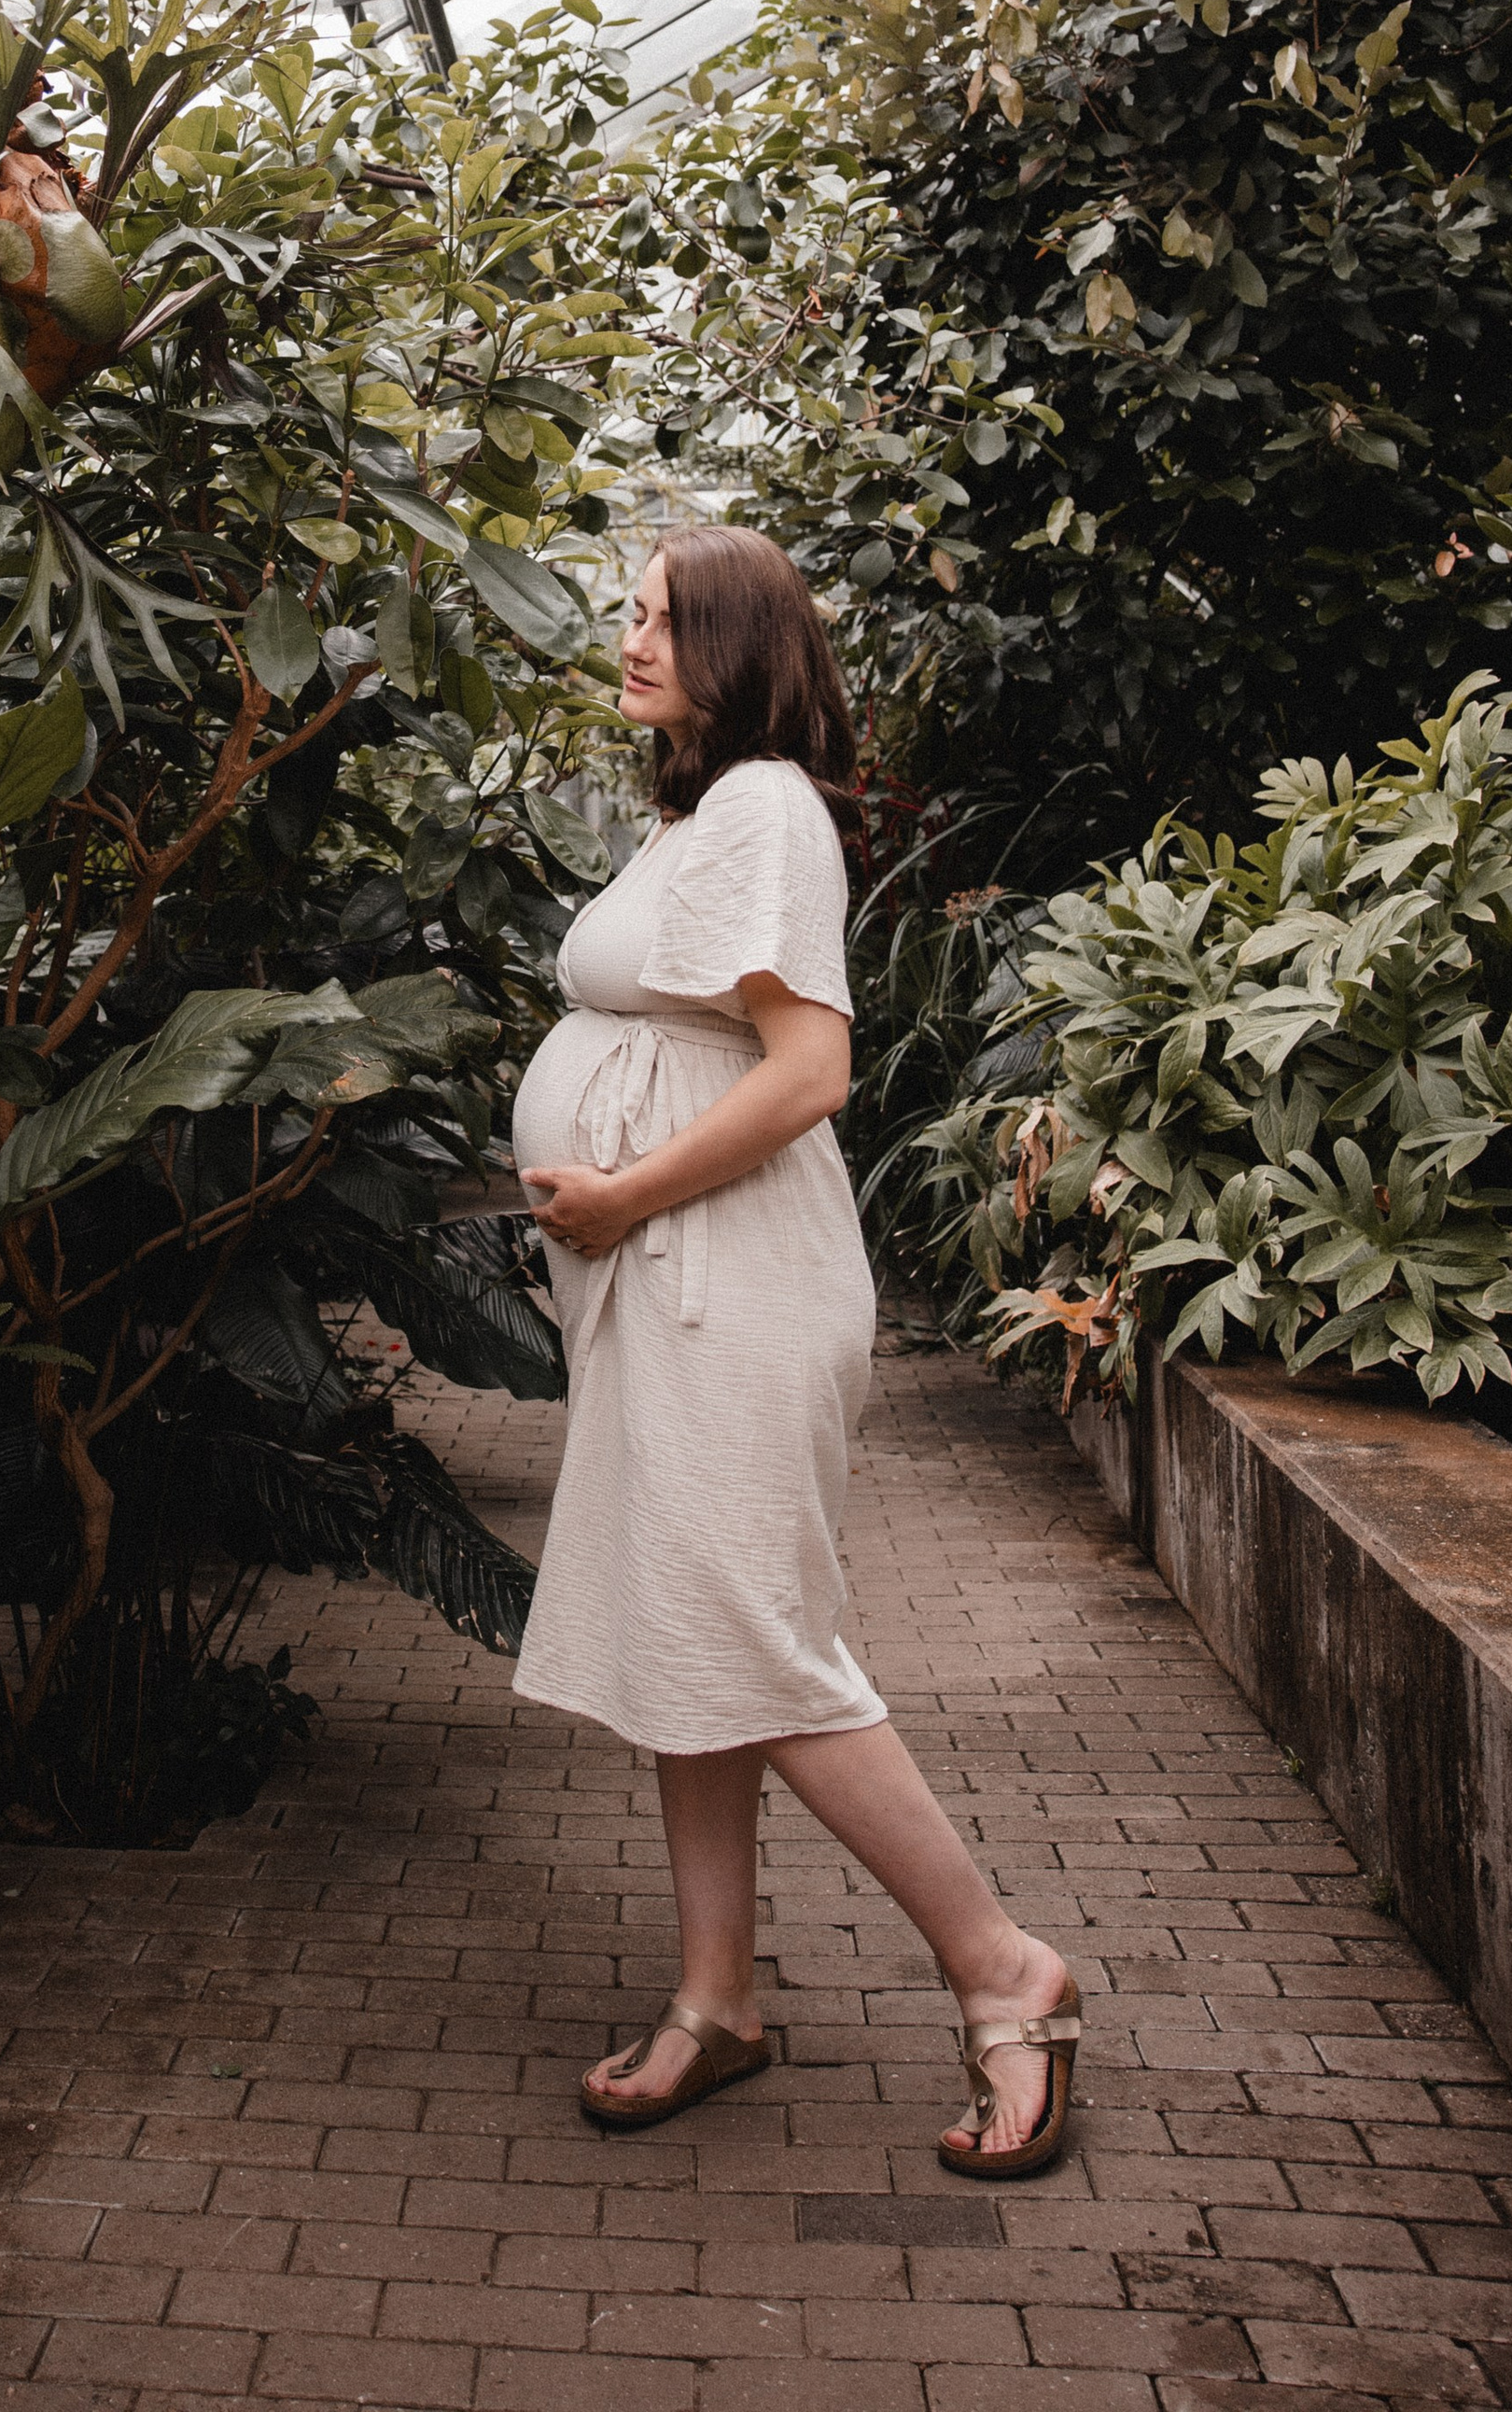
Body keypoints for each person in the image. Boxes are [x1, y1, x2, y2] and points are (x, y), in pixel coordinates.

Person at [511, 524, 1079, 2175]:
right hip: (670, 1284)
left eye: (663, 621)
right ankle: (718, 2000)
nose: (629, 641)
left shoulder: (761, 806)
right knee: (699, 1644)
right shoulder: (699, 813)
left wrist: (618, 1196)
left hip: (724, 1282)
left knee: (761, 1642)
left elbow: (810, 1071)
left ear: (740, 646)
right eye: (629, 613)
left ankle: (1003, 1969)